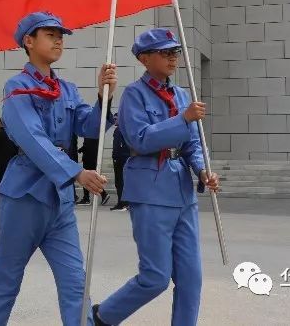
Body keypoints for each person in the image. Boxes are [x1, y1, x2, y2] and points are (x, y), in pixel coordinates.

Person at [0, 11, 117, 326]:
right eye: (50, 34)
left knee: (75, 282)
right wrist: (76, 173)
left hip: (60, 202)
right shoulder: (17, 87)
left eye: (61, 35)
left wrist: (103, 96)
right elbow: (33, 139)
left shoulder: (67, 89)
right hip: (24, 197)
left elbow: (89, 125)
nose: (58, 40)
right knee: (6, 277)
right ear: (29, 41)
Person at [94, 29, 220, 326]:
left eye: (174, 51)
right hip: (149, 191)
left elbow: (191, 144)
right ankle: (102, 316)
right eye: (164, 52)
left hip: (182, 193)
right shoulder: (133, 95)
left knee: (191, 278)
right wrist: (183, 118)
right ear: (144, 58)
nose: (172, 57)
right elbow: (140, 140)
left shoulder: (182, 96)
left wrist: (203, 170)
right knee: (155, 277)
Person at [110, 116, 130, 211]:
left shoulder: (120, 130)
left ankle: (122, 203)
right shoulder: (123, 129)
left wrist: (116, 156)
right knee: (121, 182)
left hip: (120, 158)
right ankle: (122, 202)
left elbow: (118, 146)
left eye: (116, 118)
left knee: (120, 181)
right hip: (122, 157)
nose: (114, 120)